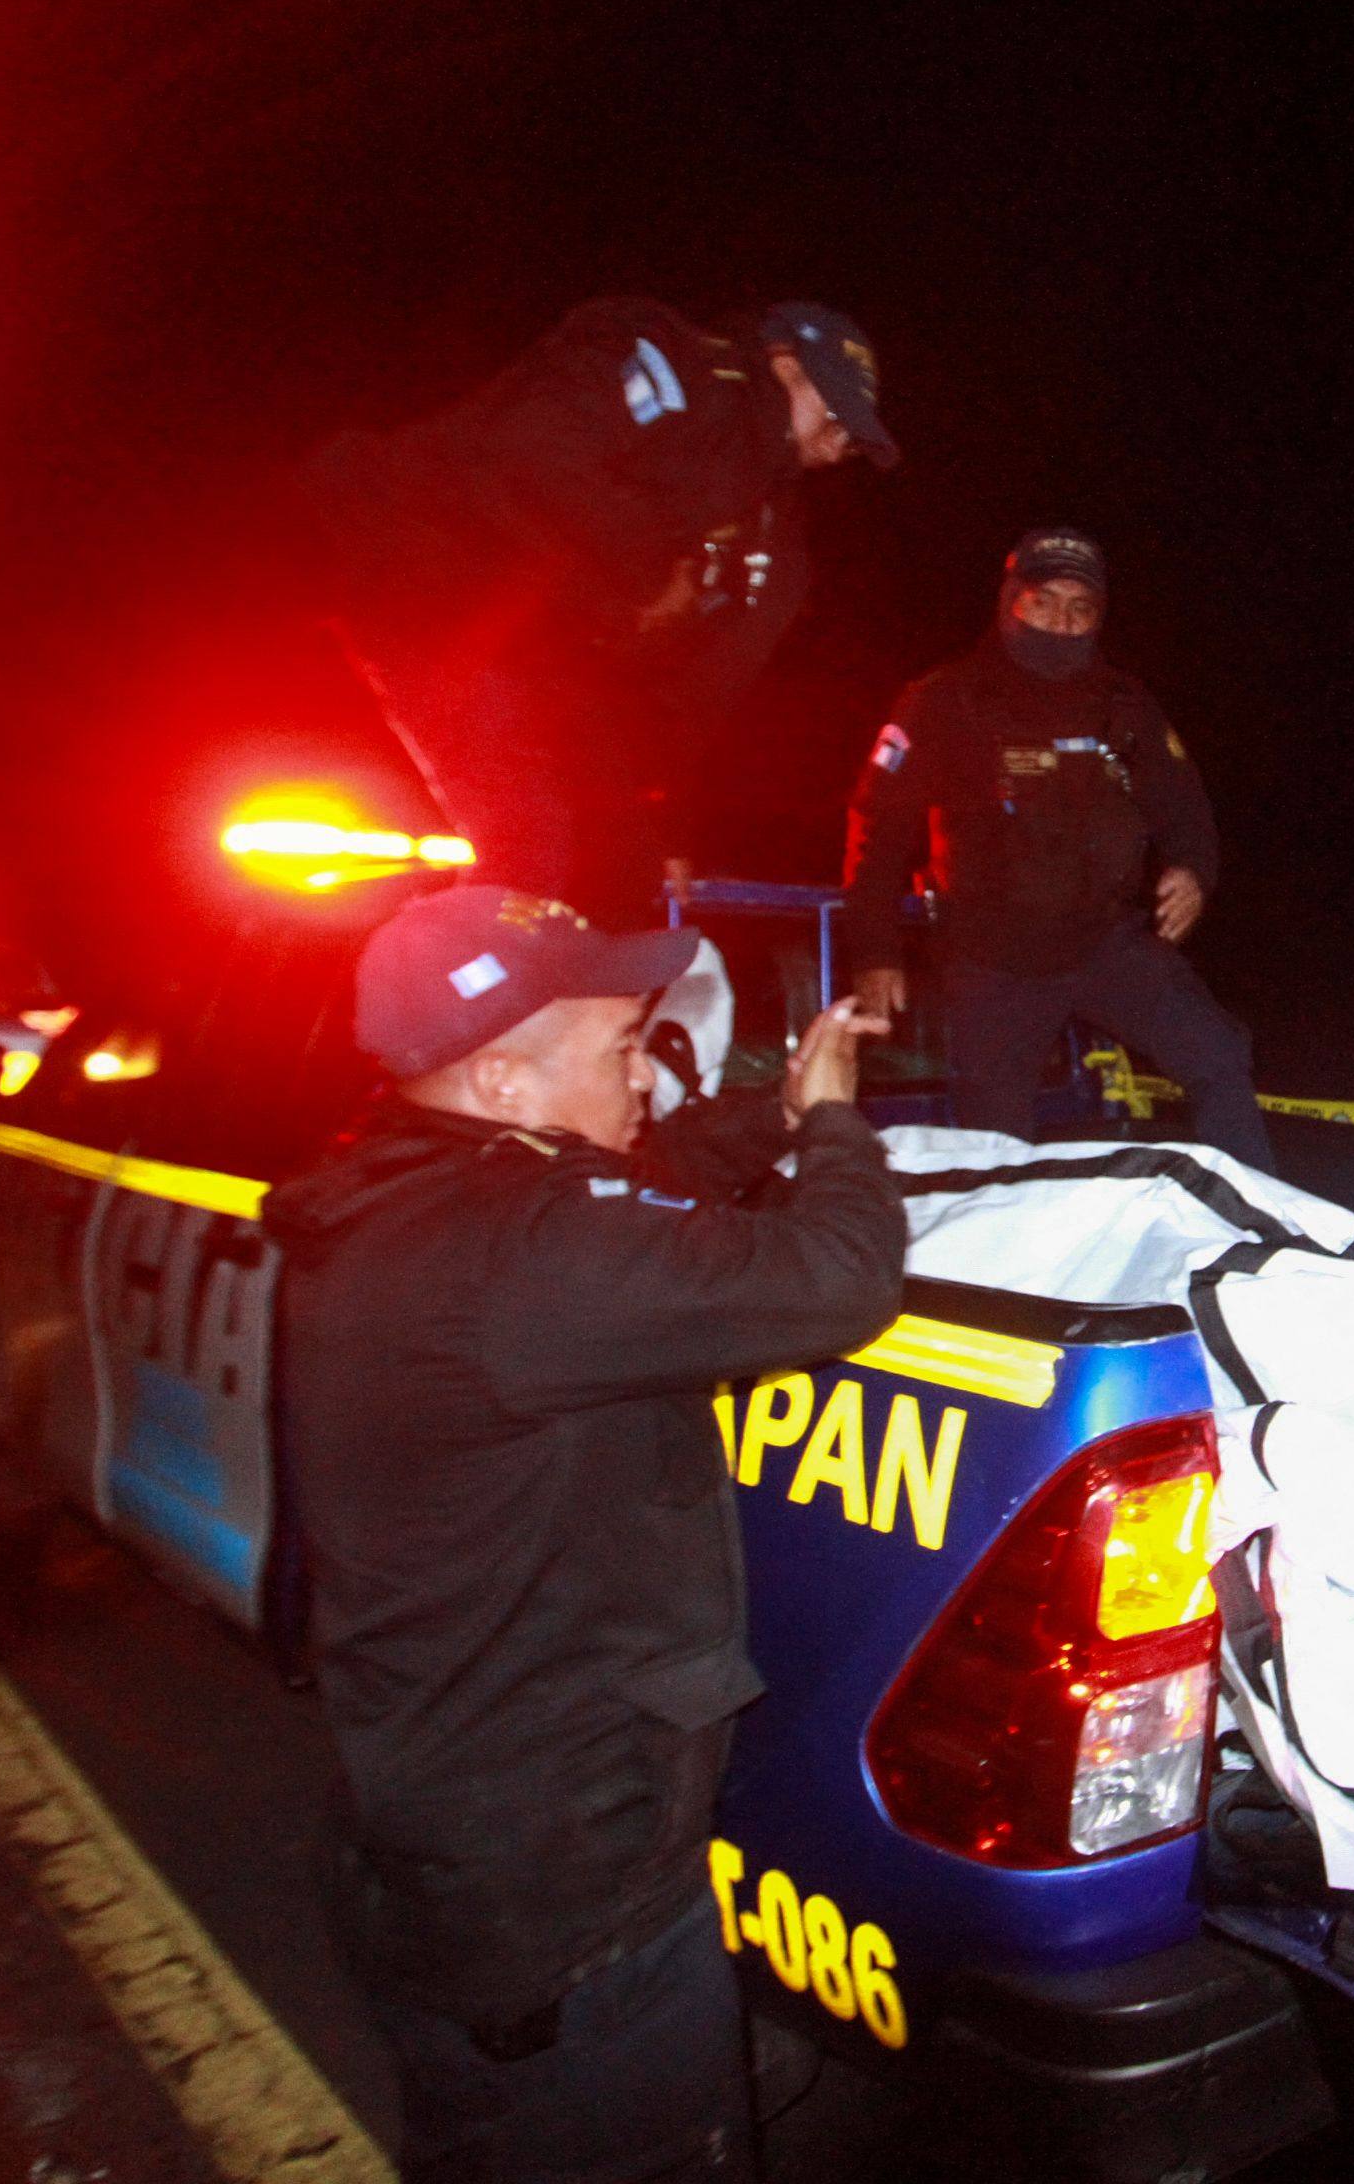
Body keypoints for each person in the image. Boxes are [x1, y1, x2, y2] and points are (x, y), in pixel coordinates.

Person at [266, 884, 907, 2182]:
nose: (646, 1075)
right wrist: (839, 1126)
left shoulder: (421, 1187)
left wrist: (775, 1111)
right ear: (502, 1078)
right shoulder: (523, 1257)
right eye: (621, 1051)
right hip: (565, 1906)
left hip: (458, 1842)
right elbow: (838, 1277)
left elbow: (640, 1184)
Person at [306, 298, 897, 916]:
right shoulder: (674, 369)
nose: (840, 445)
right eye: (838, 414)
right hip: (424, 577)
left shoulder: (772, 538)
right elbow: (533, 451)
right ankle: (445, 972)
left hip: (545, 655)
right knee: (526, 846)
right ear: (784, 365)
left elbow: (695, 696)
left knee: (618, 871)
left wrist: (664, 823)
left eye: (855, 440)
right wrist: (651, 574)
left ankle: (543, 959)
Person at [841, 526, 1273, 1169]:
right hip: (993, 960)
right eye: (1042, 602)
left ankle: (1256, 1212)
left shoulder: (1125, 703)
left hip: (1107, 942)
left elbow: (1185, 805)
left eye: (1080, 609)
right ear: (1010, 602)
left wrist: (1193, 871)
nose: (1061, 623)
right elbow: (878, 831)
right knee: (996, 1140)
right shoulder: (942, 700)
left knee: (1218, 1054)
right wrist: (875, 951)